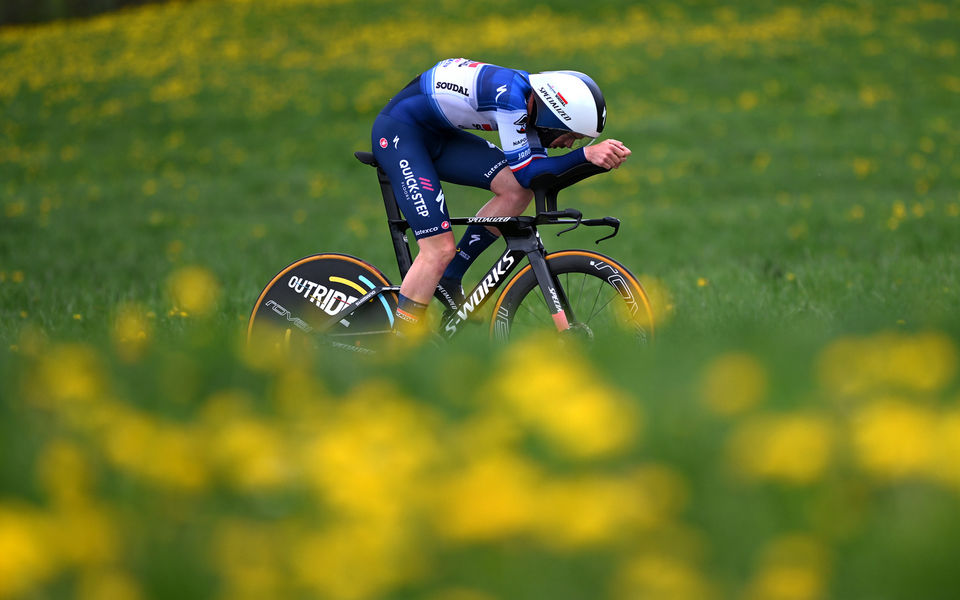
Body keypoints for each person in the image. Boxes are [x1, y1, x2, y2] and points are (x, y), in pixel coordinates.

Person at [371, 58, 631, 335]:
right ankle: (402, 344)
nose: (568, 144)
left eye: (576, 142)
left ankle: (450, 276)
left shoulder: (532, 105)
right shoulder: (511, 100)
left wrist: (593, 163)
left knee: (517, 192)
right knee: (438, 250)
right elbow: (529, 173)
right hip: (400, 133)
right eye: (571, 136)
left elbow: (537, 179)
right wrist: (584, 155)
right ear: (555, 118)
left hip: (438, 134)